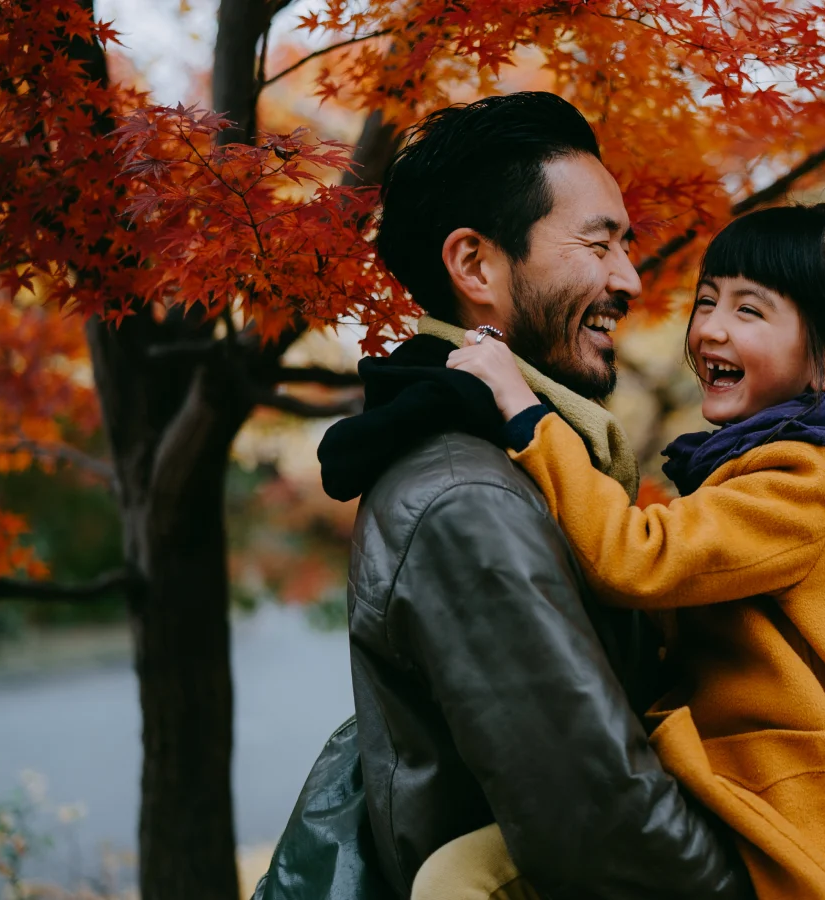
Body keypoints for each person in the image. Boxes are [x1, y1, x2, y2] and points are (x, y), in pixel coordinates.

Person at [252, 92, 750, 900]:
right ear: (475, 265)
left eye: (627, 245)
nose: (628, 277)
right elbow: (604, 824)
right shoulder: (466, 498)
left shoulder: (518, 462)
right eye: (598, 243)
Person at [440, 203, 825, 899]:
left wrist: (523, 409)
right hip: (751, 806)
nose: (709, 327)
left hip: (789, 835)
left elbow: (635, 559)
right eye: (707, 300)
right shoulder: (794, 468)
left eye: (750, 310)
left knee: (465, 878)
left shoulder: (812, 481)